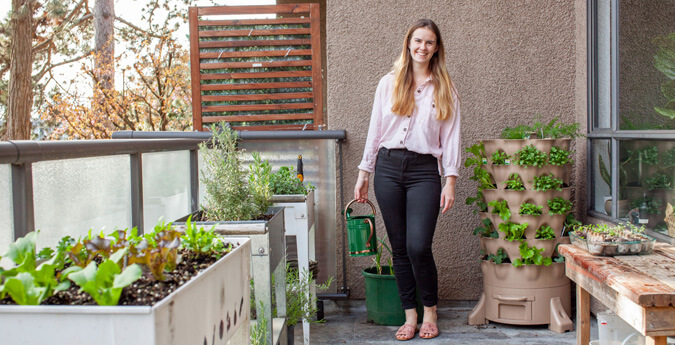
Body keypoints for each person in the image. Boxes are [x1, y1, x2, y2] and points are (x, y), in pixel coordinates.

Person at [354, 18, 461, 341]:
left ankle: (430, 310)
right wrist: (364, 173)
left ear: (436, 47)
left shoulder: (445, 89)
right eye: (417, 41)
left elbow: (452, 137)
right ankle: (410, 316)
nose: (422, 47)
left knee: (418, 245)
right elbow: (375, 132)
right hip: (387, 168)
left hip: (424, 171)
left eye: (429, 42)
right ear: (408, 43)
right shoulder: (388, 83)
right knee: (399, 247)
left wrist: (450, 180)